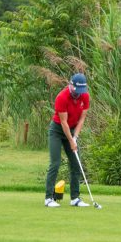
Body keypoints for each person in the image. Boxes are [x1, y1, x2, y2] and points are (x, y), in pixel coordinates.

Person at [44, 73, 91, 207]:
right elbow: (63, 123)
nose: (78, 93)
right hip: (57, 131)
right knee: (55, 163)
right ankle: (48, 198)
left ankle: (75, 198)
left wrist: (75, 137)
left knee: (76, 163)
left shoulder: (85, 96)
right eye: (77, 90)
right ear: (70, 85)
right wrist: (71, 141)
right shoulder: (62, 97)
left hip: (72, 130)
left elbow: (82, 119)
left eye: (81, 91)